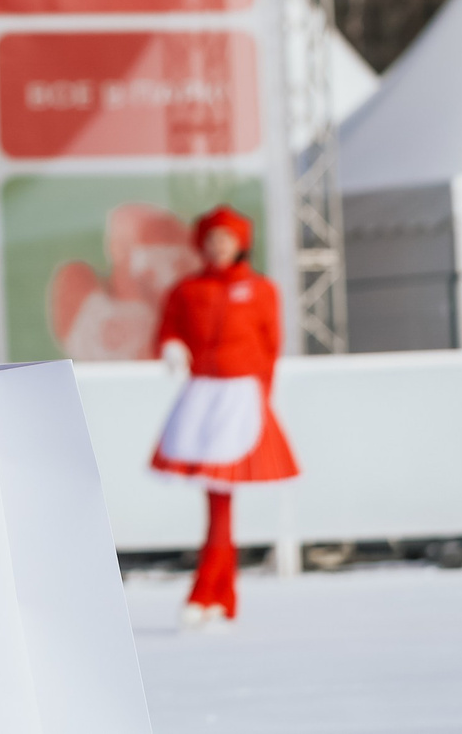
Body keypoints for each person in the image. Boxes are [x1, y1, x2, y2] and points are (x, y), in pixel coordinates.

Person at [151, 206, 297, 627]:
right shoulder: (187, 290)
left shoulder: (260, 289)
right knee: (217, 500)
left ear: (240, 244)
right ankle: (222, 595)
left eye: (226, 240)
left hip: (240, 397)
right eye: (212, 240)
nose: (218, 248)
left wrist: (262, 397)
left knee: (219, 501)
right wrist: (173, 347)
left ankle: (208, 591)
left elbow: (271, 345)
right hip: (203, 396)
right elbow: (169, 328)